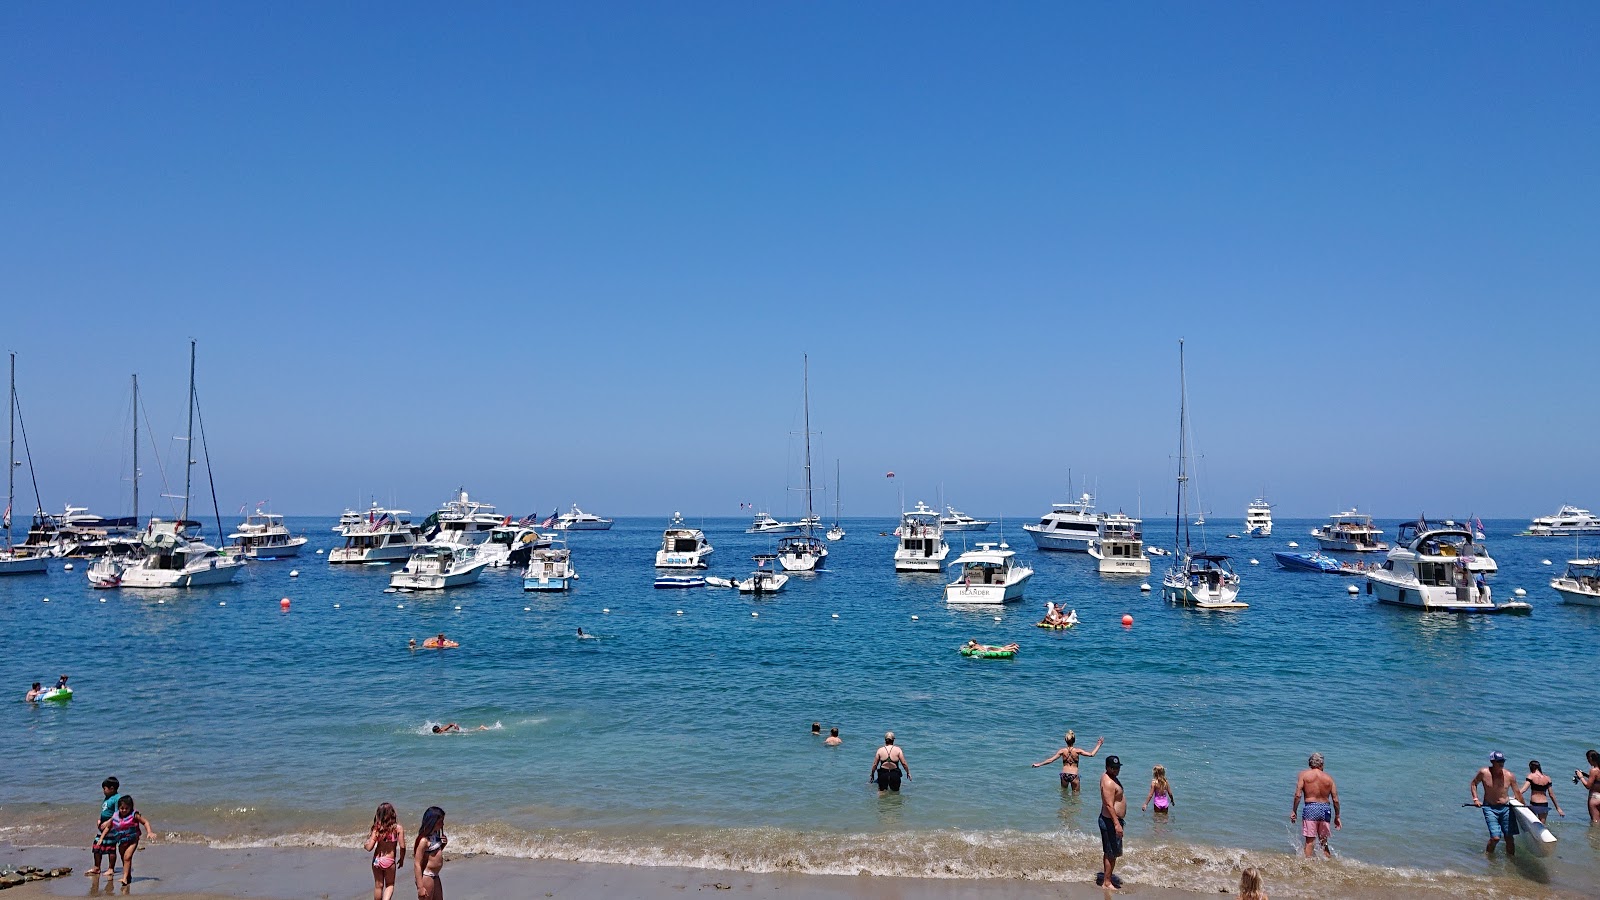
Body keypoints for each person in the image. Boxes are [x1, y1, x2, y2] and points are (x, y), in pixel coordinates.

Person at [1290, 752, 1341, 858]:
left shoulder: (1303, 775)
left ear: (1310, 763)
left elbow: (1298, 795)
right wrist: (1337, 816)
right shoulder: (1329, 778)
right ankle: (1328, 863)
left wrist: (1294, 810)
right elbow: (1335, 800)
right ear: (1322, 764)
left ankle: (1307, 866)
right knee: (1324, 841)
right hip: (1326, 809)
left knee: (1309, 841)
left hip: (1311, 808)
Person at [95, 794, 153, 887]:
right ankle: (128, 876)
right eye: (122, 808)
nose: (124, 810)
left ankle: (124, 878)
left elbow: (145, 822)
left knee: (127, 857)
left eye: (127, 808)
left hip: (133, 840)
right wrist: (101, 838)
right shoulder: (115, 816)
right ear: (119, 808)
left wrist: (149, 832)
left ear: (130, 808)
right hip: (121, 840)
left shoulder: (134, 815)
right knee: (124, 859)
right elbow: (108, 827)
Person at [1470, 751, 1519, 855]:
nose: (1501, 763)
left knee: (1509, 838)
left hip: (1506, 808)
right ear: (1492, 761)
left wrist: (1524, 808)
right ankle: (1488, 858)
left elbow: (1517, 793)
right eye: (1499, 761)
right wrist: (1475, 799)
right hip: (1489, 808)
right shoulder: (1484, 772)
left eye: (1503, 761)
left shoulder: (1510, 775)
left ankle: (1511, 863)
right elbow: (1474, 784)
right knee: (1495, 838)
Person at [1032, 730, 1102, 792]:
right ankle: (1073, 807)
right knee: (1076, 797)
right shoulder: (1077, 751)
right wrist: (1098, 745)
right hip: (1074, 775)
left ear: (1065, 740)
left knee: (1064, 795)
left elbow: (1051, 760)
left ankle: (1064, 807)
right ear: (1074, 740)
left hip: (1064, 774)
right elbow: (1091, 754)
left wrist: (1039, 764)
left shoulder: (1062, 751)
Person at [1096, 755, 1126, 889]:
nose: (1116, 770)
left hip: (1112, 820)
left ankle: (1107, 879)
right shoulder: (1108, 782)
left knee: (1111, 852)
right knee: (1111, 853)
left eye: (1118, 767)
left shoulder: (1110, 777)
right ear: (1107, 767)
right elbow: (1108, 805)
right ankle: (1107, 882)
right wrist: (1116, 824)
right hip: (1110, 821)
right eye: (1113, 768)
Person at [363, 801, 405, 900]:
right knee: (390, 885)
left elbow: (369, 848)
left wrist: (365, 845)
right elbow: (402, 846)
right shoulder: (398, 829)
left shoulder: (377, 829)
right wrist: (402, 859)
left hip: (376, 860)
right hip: (389, 861)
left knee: (378, 885)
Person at [85, 776, 122, 877]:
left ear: (112, 788)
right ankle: (97, 867)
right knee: (97, 846)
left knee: (111, 848)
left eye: (104, 788)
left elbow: (117, 813)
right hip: (102, 826)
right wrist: (100, 820)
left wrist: (108, 822)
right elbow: (104, 811)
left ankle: (111, 868)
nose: (103, 791)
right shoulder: (107, 798)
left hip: (112, 827)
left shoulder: (117, 798)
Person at [413, 806, 447, 900]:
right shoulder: (424, 840)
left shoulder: (435, 835)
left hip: (436, 875)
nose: (442, 824)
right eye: (440, 821)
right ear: (432, 822)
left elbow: (434, 854)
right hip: (427, 876)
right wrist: (420, 887)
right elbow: (417, 863)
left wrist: (443, 844)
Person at [1575, 749, 1600, 825]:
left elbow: (1588, 786)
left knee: (1595, 822)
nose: (1588, 761)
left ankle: (1593, 836)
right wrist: (1585, 775)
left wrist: (1581, 777)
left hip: (1594, 798)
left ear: (1591, 758)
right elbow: (1596, 781)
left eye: (1588, 759)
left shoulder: (1594, 770)